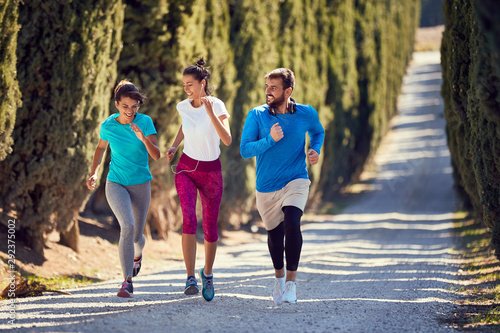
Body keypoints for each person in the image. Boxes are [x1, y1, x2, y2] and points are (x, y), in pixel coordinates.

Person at [240, 68, 325, 305]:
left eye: (274, 88)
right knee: (275, 237)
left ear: (288, 91)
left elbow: (318, 131)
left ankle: (291, 284)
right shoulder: (256, 115)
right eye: (267, 86)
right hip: (266, 187)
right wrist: (270, 139)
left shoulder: (306, 113)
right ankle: (278, 279)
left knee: (292, 223)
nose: (268, 91)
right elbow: (245, 149)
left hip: (296, 180)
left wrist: (315, 149)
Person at [165, 58, 232, 302]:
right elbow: (186, 125)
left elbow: (227, 140)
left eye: (190, 84)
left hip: (211, 173)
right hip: (186, 169)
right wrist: (174, 146)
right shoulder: (182, 106)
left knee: (210, 227)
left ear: (203, 83)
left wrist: (210, 111)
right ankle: (190, 277)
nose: (186, 89)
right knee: (189, 219)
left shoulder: (218, 105)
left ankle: (208, 273)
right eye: (184, 85)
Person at [87, 80, 160, 298]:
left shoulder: (145, 122)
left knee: (137, 236)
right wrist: (94, 172)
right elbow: (101, 149)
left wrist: (143, 138)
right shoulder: (108, 126)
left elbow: (156, 155)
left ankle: (137, 254)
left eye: (134, 107)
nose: (130, 111)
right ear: (117, 104)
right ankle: (127, 281)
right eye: (125, 106)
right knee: (126, 226)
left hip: (140, 183)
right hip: (115, 181)